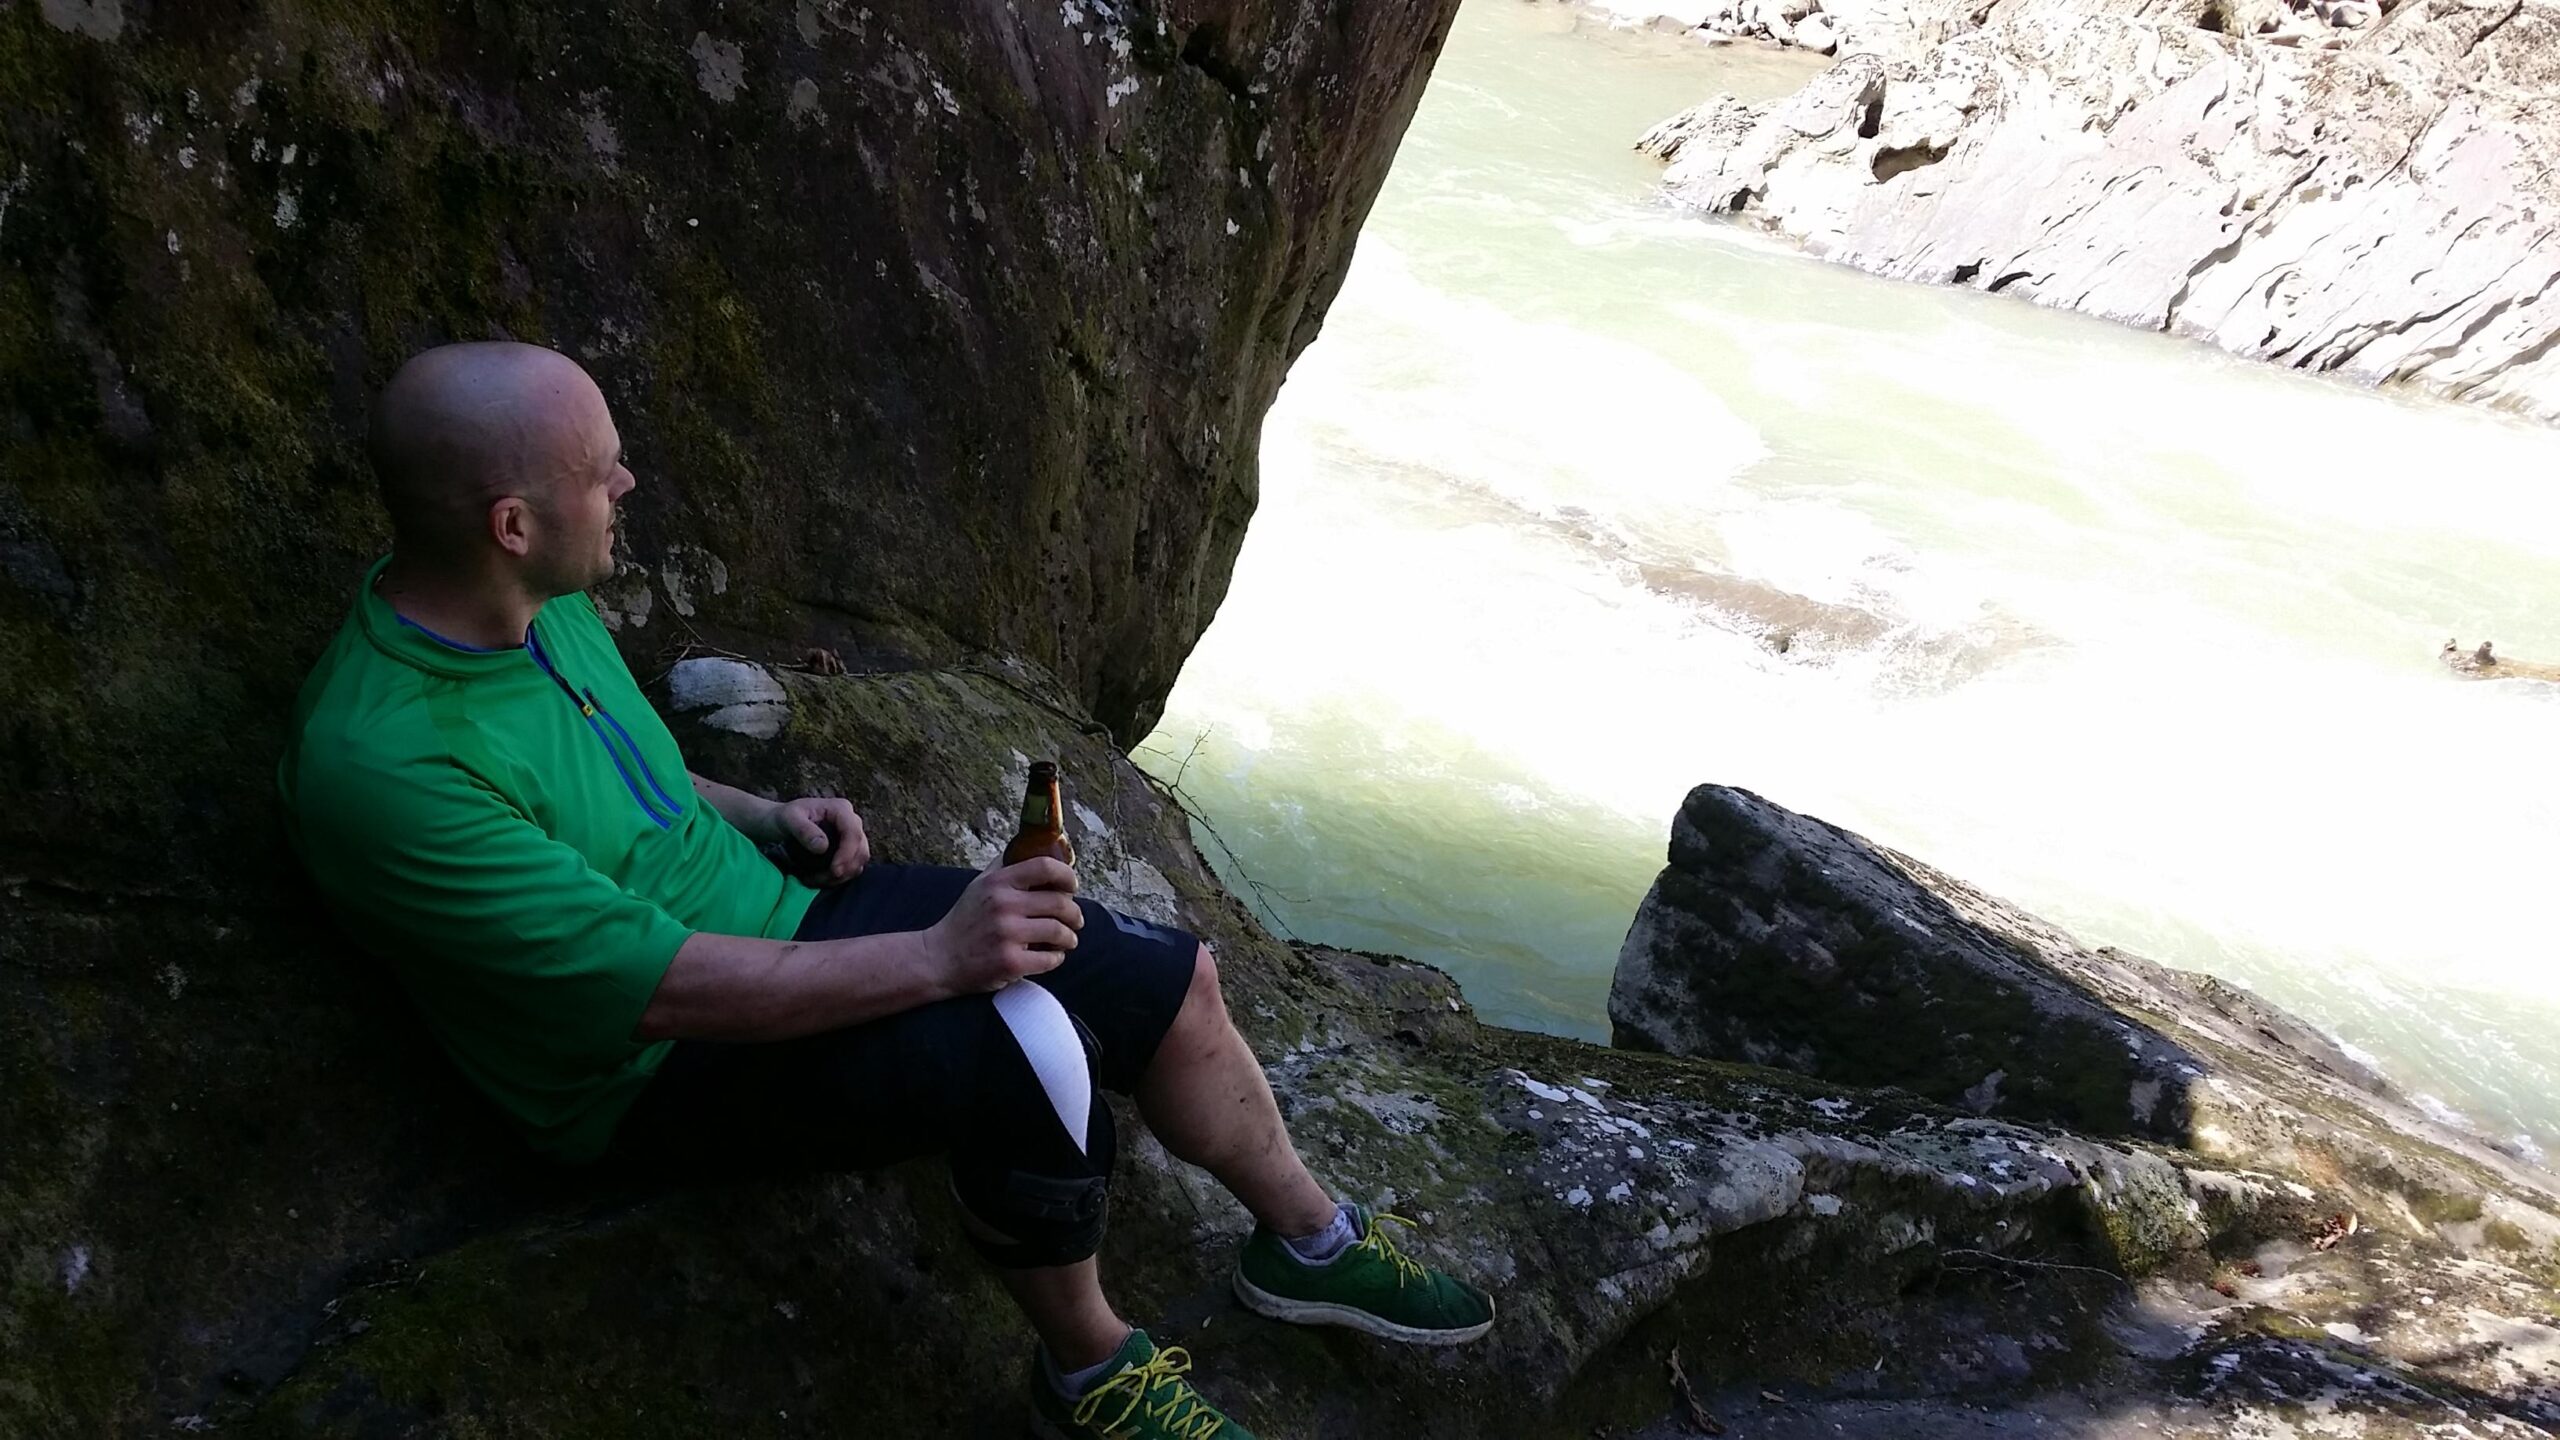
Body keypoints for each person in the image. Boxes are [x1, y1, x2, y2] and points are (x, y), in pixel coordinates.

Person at [276, 342, 1494, 1439]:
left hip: (775, 920)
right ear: (510, 523)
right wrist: (942, 959)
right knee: (1033, 1041)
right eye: (604, 473)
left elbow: (606, 749)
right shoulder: (389, 769)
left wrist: (757, 814)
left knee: (1164, 974)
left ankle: (1310, 1243)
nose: (631, 487)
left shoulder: (527, 600)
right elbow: (664, 991)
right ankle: (1086, 1370)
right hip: (649, 1070)